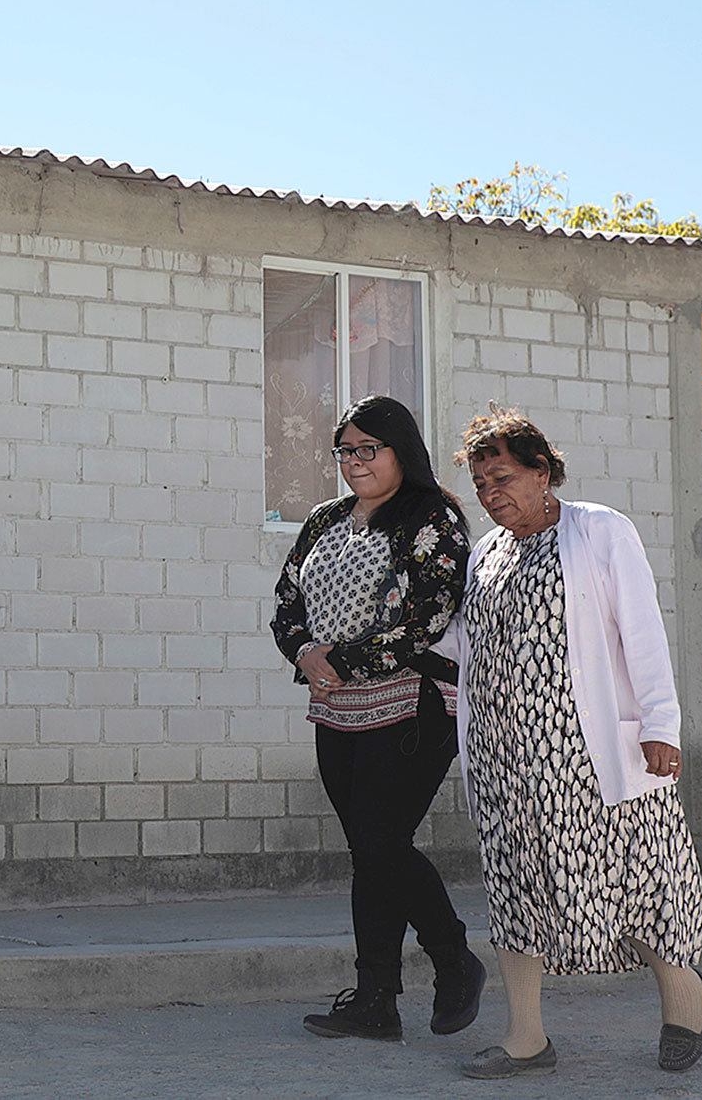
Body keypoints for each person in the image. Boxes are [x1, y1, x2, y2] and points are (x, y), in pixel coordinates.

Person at [450, 406, 702, 1080]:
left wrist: (660, 723)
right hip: (505, 760)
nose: (491, 493)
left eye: (502, 476)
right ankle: (526, 1036)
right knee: (517, 887)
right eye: (481, 483)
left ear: (543, 471)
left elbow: (642, 628)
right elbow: (467, 646)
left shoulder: (599, 531)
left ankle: (685, 999)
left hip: (590, 756)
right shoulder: (486, 553)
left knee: (636, 880)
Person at [272, 395, 487, 1043]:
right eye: (346, 450)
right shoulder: (323, 520)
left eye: (370, 448)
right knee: (369, 851)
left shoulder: (433, 519)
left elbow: (428, 616)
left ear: (401, 451)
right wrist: (306, 652)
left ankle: (453, 958)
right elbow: (287, 597)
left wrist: (343, 658)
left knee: (380, 842)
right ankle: (376, 999)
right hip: (335, 708)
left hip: (415, 704)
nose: (355, 461)